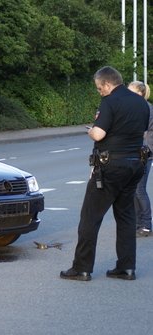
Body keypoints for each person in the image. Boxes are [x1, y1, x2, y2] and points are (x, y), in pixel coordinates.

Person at [60, 66, 150, 281]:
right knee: (126, 216)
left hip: (110, 167)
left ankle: (81, 268)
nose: (99, 91)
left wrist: (91, 131)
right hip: (136, 164)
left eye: (100, 88)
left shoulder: (109, 101)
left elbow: (99, 134)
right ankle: (126, 267)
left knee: (90, 217)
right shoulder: (141, 103)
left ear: (108, 84)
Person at [128, 81, 153, 237]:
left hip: (144, 153)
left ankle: (146, 224)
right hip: (136, 152)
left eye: (131, 92)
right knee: (134, 189)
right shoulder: (138, 107)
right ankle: (138, 223)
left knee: (139, 189)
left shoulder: (147, 109)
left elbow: (146, 133)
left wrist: (147, 150)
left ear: (139, 93)